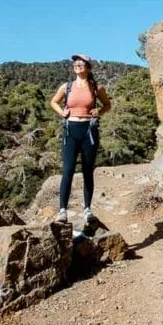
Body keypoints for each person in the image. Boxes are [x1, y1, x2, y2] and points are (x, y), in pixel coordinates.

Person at [50, 54, 111, 224]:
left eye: (82, 62)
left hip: (89, 131)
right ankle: (62, 211)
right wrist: (61, 112)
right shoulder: (67, 86)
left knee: (87, 171)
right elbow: (53, 102)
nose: (78, 64)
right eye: (76, 62)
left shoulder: (96, 87)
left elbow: (107, 105)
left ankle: (87, 210)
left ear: (88, 67)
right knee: (68, 170)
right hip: (70, 131)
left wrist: (100, 112)